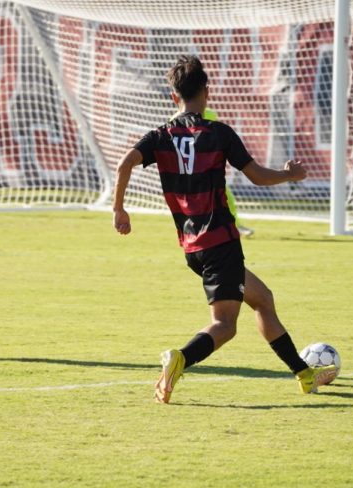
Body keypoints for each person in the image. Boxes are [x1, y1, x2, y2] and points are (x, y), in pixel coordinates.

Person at [113, 55, 336, 403]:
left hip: (193, 247)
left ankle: (304, 374)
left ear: (174, 97)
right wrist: (290, 175)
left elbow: (125, 162)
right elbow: (258, 176)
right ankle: (181, 359)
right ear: (207, 91)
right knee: (225, 325)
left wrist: (119, 209)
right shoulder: (218, 134)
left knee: (263, 300)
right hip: (220, 241)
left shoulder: (160, 136)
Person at [172, 107, 254, 238]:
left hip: (209, 170)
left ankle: (235, 225)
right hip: (191, 172)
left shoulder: (210, 114)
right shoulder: (175, 120)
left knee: (227, 198)